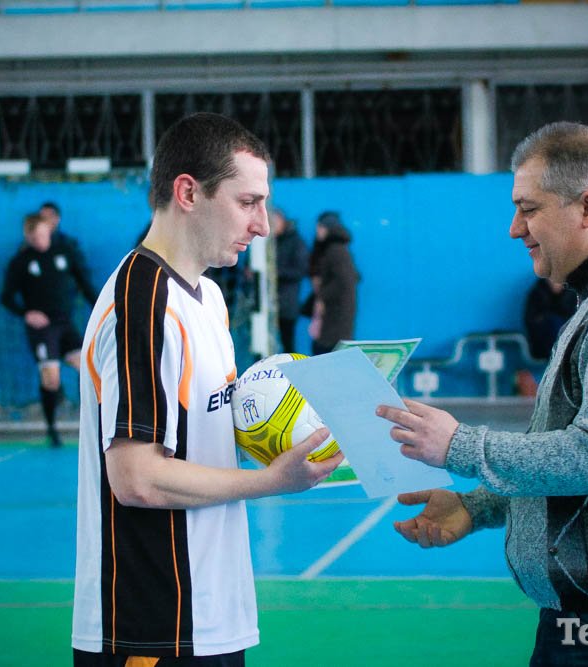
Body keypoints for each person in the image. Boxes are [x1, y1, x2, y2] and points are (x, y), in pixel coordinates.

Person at [377, 122, 588, 665]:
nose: (515, 228)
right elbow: (578, 457)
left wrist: (460, 445)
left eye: (529, 209)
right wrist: (479, 506)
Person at [73, 112, 342, 666]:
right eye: (248, 202)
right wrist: (272, 480)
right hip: (153, 626)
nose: (262, 224)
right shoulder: (143, 302)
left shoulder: (207, 297)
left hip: (213, 616)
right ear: (189, 193)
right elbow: (136, 478)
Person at [0, 213, 99, 448]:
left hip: (65, 324)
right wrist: (27, 313)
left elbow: (85, 285)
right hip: (43, 330)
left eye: (43, 235)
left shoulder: (65, 253)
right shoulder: (20, 262)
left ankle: (93, 424)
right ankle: (52, 428)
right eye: (35, 238)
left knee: (88, 369)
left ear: (49, 231)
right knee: (51, 379)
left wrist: (101, 309)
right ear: (27, 237)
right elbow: (6, 297)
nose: (40, 241)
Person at [306, 211, 358, 355]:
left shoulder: (335, 250)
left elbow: (345, 280)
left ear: (329, 229)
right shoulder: (337, 249)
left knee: (325, 352)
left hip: (335, 315)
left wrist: (322, 296)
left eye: (321, 227)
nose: (317, 231)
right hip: (336, 314)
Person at [272, 208, 309, 354]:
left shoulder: (296, 242)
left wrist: (274, 274)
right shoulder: (268, 243)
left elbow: (300, 271)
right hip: (269, 305)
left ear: (283, 221)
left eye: (274, 222)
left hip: (287, 305)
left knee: (288, 345)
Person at [523, 277, 577, 360]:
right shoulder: (538, 294)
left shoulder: (571, 294)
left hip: (567, 339)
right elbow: (531, 321)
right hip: (543, 342)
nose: (555, 284)